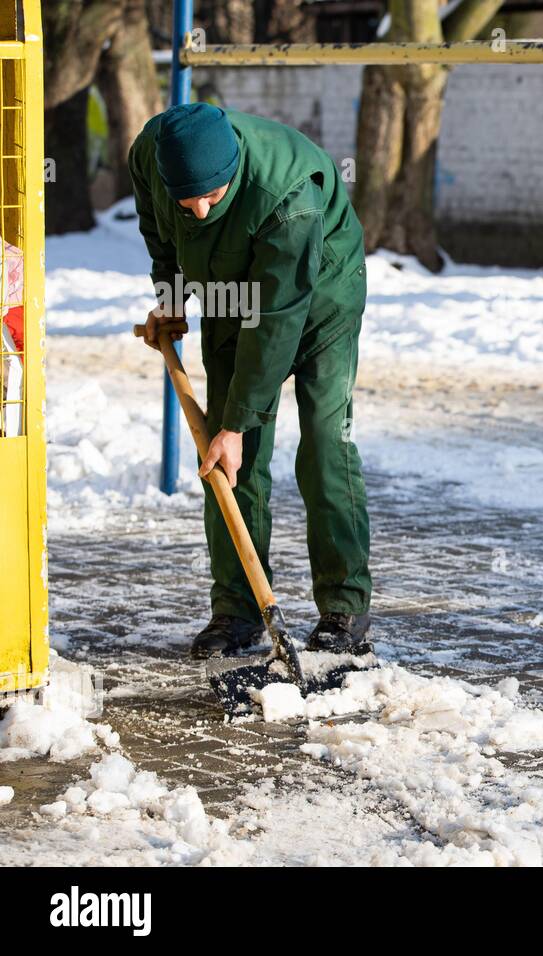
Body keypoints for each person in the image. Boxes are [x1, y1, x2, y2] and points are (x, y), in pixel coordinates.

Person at [129, 102, 373, 658]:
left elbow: (277, 319)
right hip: (227, 286)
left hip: (319, 296)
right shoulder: (150, 153)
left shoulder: (289, 201)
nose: (196, 206)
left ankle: (344, 606)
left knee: (322, 441)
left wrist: (240, 421)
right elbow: (157, 231)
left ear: (234, 171)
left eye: (211, 195)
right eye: (185, 197)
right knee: (227, 459)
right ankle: (238, 610)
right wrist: (170, 299)